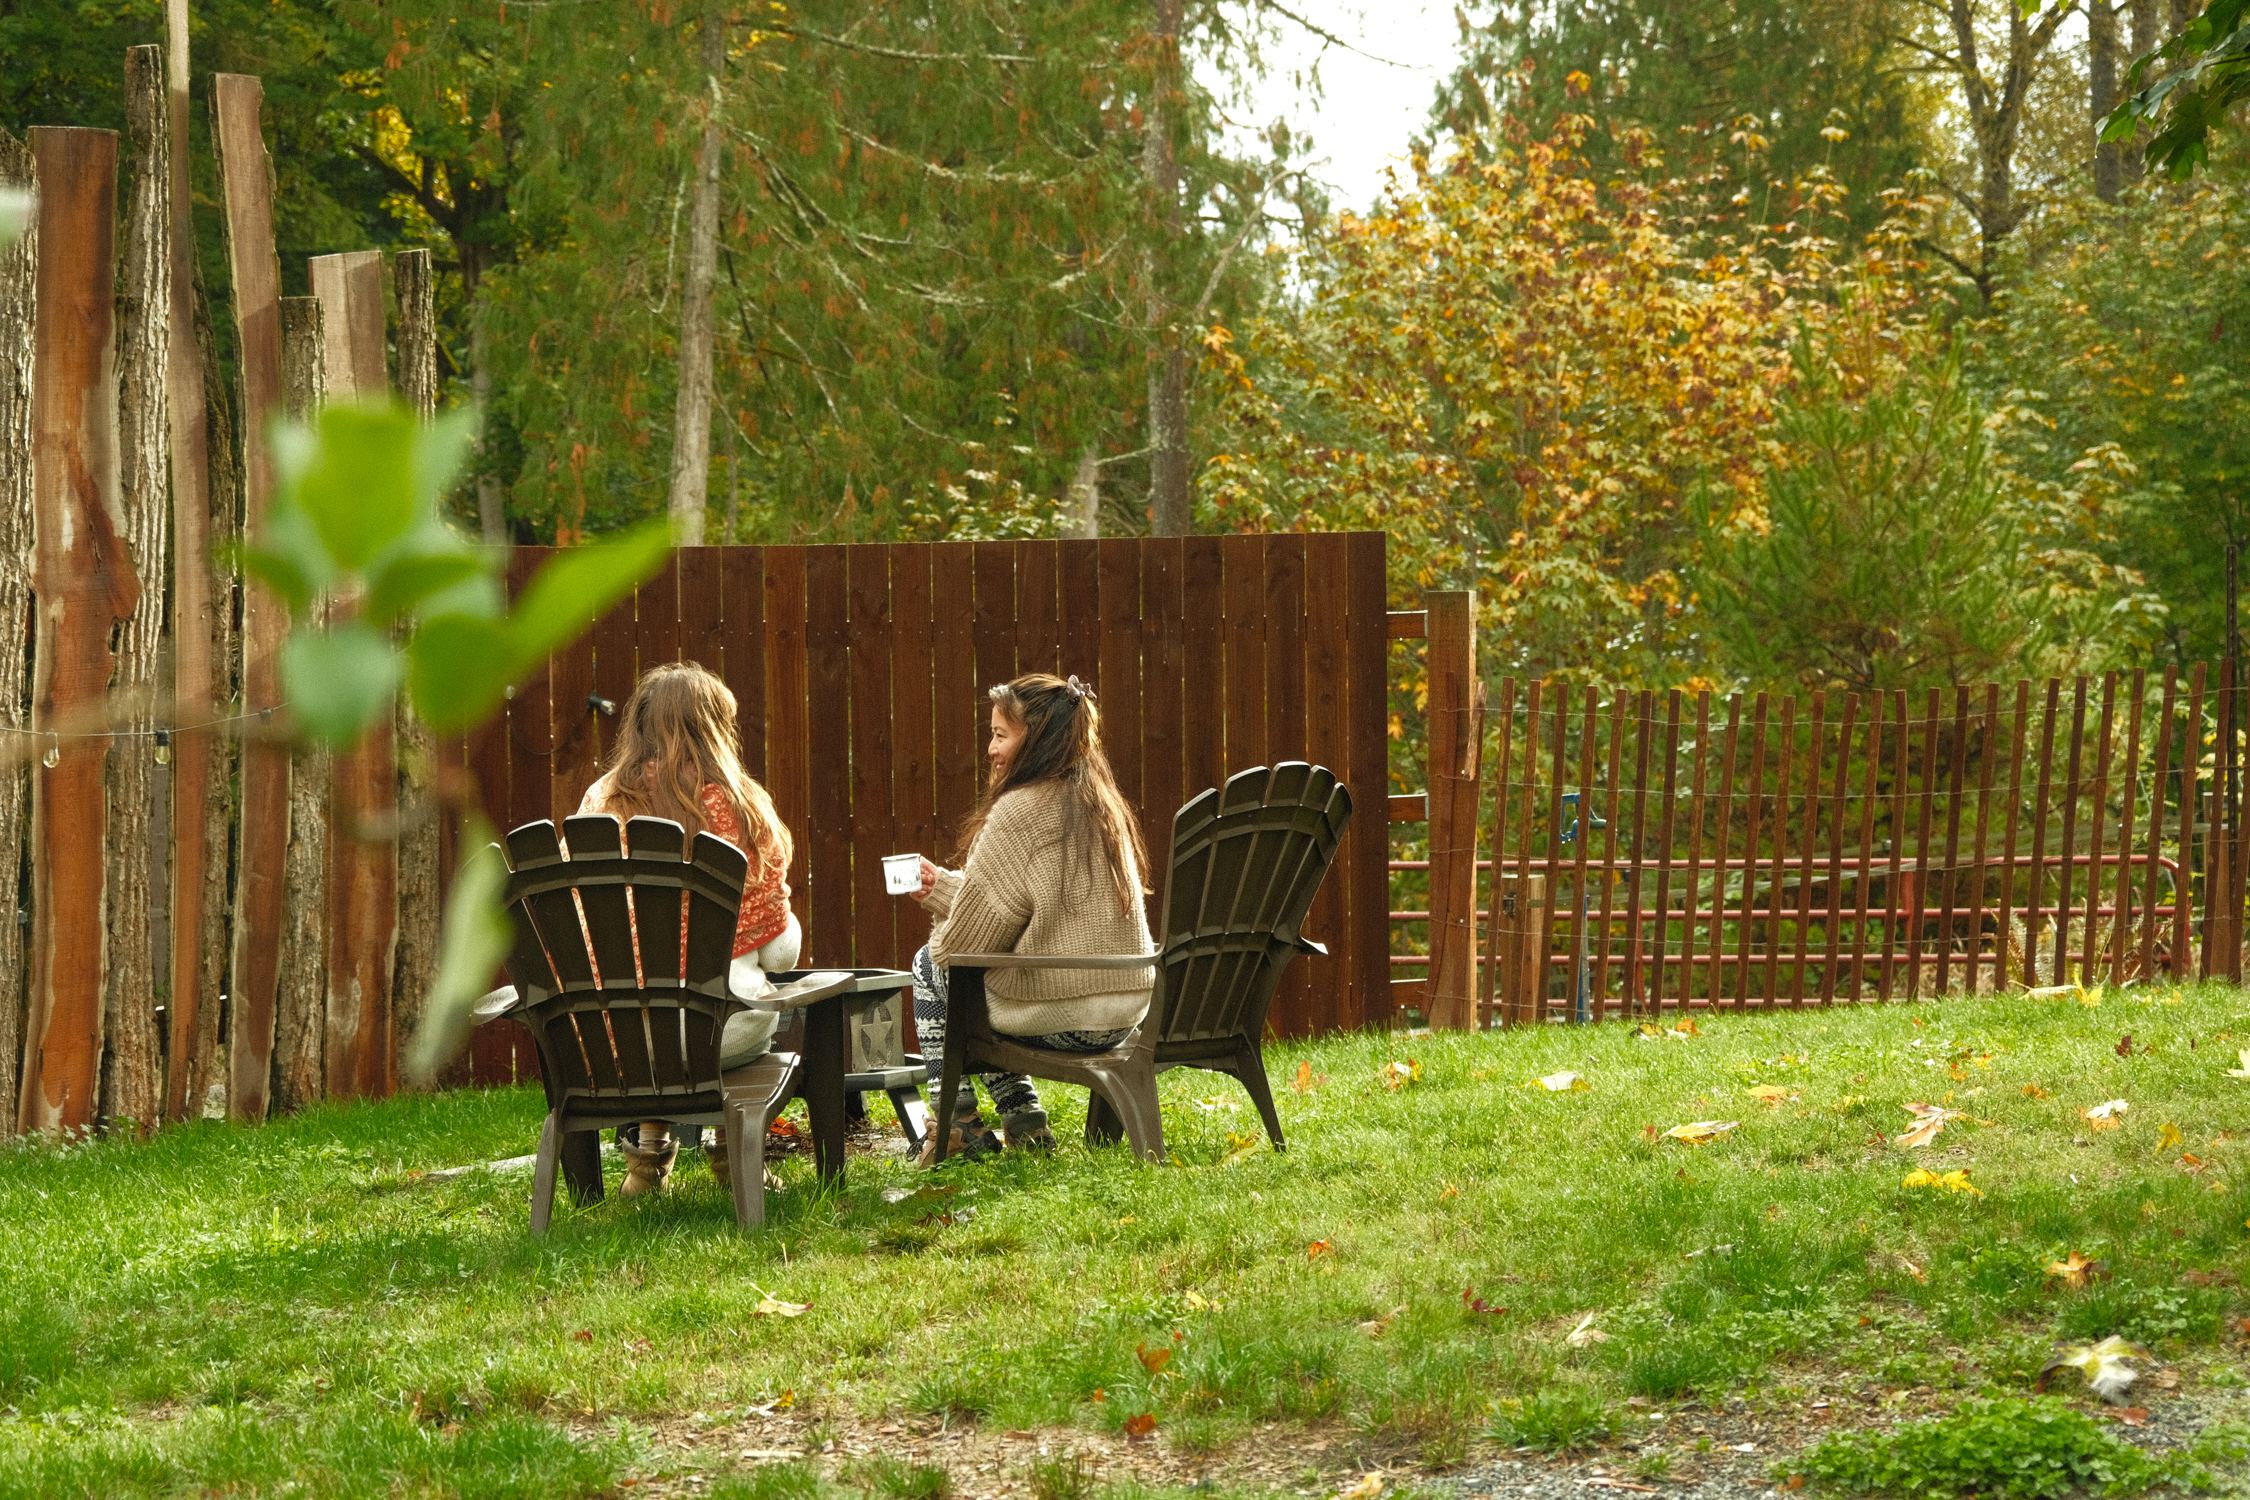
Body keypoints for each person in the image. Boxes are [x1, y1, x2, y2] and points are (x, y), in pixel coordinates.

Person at [907, 672, 1156, 1162]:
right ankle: (1025, 1124)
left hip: (1069, 1015)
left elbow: (961, 947)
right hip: (1127, 1010)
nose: (991, 750)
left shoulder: (1019, 811)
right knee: (986, 980)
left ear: (1035, 739)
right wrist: (944, 889)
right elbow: (1036, 909)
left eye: (1001, 735)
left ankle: (955, 1127)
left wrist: (946, 909)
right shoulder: (1101, 803)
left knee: (932, 968)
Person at [576, 661, 800, 1196]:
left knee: (653, 1009)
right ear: (715, 729)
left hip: (615, 1034)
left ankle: (648, 1154)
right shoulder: (740, 806)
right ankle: (728, 1149)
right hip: (715, 1030)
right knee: (752, 986)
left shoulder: (600, 803)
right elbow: (777, 956)